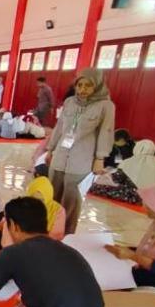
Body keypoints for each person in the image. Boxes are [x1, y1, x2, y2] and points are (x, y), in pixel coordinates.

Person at [46, 68, 115, 235]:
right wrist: (50, 149)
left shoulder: (105, 106)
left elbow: (105, 132)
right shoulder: (70, 102)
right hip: (61, 155)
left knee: (72, 198)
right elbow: (59, 127)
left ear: (97, 86)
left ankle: (66, 233)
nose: (82, 89)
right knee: (52, 193)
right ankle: (49, 228)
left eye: (88, 86)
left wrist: (100, 158)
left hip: (81, 159)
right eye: (79, 85)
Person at [105, 182, 155, 291]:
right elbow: (153, 251)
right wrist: (128, 250)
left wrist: (133, 256)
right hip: (149, 274)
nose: (145, 207)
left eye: (152, 204)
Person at [0, 172, 66, 250]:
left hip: (43, 243)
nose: (37, 203)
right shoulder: (25, 205)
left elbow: (57, 234)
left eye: (41, 200)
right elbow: (12, 222)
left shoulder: (58, 210)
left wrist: (32, 241)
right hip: (20, 239)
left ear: (48, 197)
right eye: (34, 198)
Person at [89, 139, 155, 205]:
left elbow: (117, 178)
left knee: (97, 186)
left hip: (130, 197)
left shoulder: (127, 162)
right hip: (151, 199)